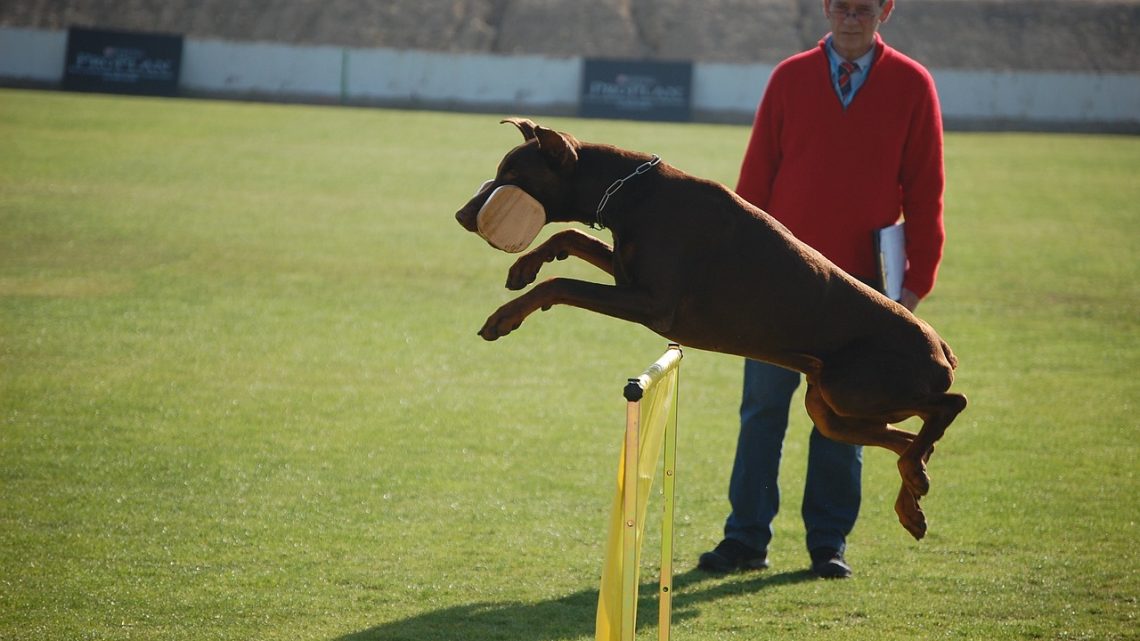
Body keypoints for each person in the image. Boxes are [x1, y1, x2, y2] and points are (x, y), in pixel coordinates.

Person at [698, 0, 946, 579]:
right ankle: (745, 539)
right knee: (762, 411)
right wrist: (738, 275)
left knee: (846, 420)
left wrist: (911, 291)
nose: (851, 17)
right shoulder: (788, 78)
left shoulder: (912, 84)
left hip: (861, 297)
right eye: (840, 5)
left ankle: (828, 544)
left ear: (886, 10)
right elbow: (754, 185)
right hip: (777, 290)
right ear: (826, 8)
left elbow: (926, 191)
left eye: (864, 7)